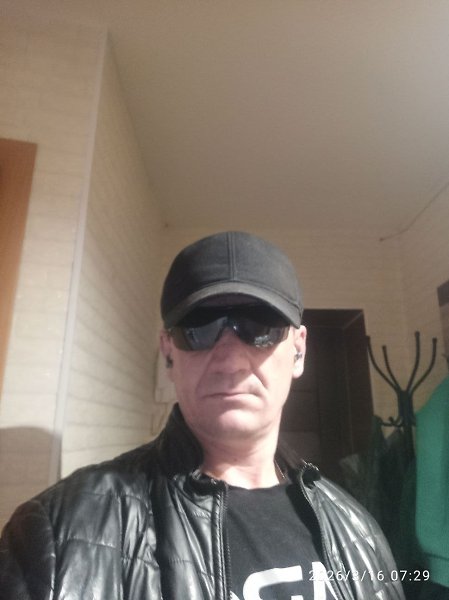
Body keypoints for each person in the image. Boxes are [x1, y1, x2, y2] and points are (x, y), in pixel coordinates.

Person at [0, 231, 404, 600]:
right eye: (199, 327)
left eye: (259, 326)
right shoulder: (53, 538)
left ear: (298, 350)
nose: (229, 361)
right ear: (168, 353)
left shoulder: (359, 532)